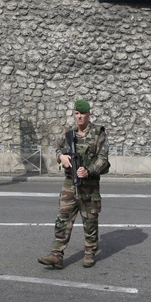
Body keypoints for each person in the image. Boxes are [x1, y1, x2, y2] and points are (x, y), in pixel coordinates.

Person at [38, 99, 109, 269]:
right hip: (70, 183)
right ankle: (56, 254)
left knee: (90, 220)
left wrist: (89, 170)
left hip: (89, 185)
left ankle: (90, 252)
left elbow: (103, 160)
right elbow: (58, 150)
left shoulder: (98, 133)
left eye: (82, 114)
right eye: (76, 113)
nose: (79, 117)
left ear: (88, 114)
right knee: (63, 218)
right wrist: (60, 157)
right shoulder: (69, 133)